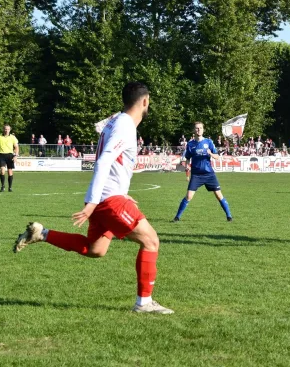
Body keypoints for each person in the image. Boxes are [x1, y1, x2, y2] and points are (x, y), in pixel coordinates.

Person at [13, 82, 173, 314]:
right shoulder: (124, 125)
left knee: (96, 249)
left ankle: (42, 233)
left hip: (108, 197)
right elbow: (104, 160)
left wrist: (115, 193)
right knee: (151, 241)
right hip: (107, 200)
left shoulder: (116, 122)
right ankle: (144, 303)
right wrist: (93, 202)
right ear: (145, 101)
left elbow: (112, 163)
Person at [173, 122, 232, 222]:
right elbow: (187, 157)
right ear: (194, 130)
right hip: (196, 175)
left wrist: (211, 154)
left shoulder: (209, 142)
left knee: (219, 195)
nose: (199, 130)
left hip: (209, 174)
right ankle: (177, 217)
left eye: (200, 128)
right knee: (188, 196)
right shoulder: (190, 144)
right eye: (197, 128)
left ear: (203, 129)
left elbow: (217, 156)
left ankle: (229, 216)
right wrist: (187, 167)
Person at [0, 124, 19, 192]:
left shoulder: (12, 137)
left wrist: (16, 156)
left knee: (10, 172)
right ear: (3, 129)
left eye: (8, 129)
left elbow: (16, 147)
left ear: (10, 130)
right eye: (5, 129)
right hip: (1, 155)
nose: (6, 130)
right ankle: (2, 186)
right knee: (2, 171)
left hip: (10, 155)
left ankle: (10, 187)